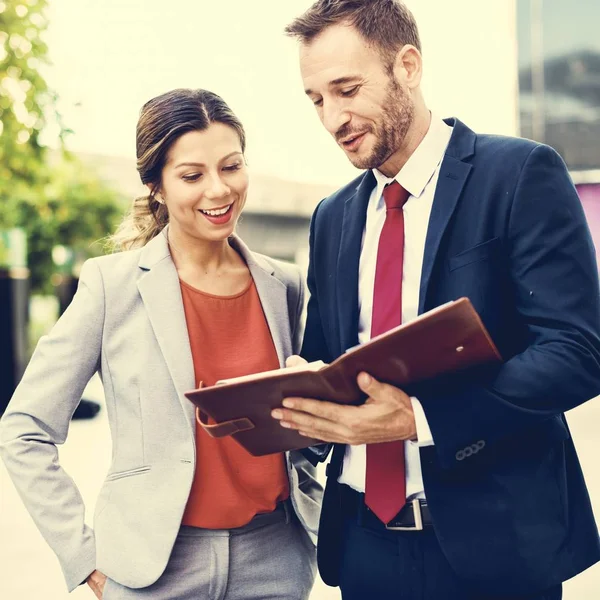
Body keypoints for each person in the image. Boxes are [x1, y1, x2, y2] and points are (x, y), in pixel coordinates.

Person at [271, 2, 600, 599]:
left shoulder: (520, 174)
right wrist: (307, 401)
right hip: (365, 547)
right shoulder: (332, 217)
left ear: (408, 65)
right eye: (317, 99)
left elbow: (577, 350)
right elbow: (328, 357)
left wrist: (420, 420)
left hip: (496, 548)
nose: (333, 118)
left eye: (347, 89)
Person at [0, 88, 320, 600]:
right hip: (155, 571)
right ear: (156, 186)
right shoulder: (112, 286)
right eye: (192, 176)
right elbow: (24, 429)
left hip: (275, 561)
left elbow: (307, 427)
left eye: (231, 167)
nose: (218, 190)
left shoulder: (285, 284)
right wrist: (84, 558)